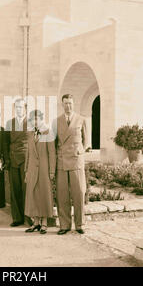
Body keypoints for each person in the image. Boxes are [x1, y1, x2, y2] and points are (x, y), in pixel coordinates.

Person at [53, 94, 88, 235]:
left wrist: (79, 152)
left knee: (79, 192)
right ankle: (64, 225)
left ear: (74, 104)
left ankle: (80, 224)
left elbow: (86, 142)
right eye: (66, 103)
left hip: (76, 160)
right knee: (62, 195)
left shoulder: (81, 120)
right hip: (62, 161)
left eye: (70, 103)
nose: (68, 106)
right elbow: (54, 142)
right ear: (62, 104)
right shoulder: (56, 121)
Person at [24, 110, 56, 234]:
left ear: (42, 119)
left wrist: (52, 171)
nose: (35, 122)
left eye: (37, 119)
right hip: (32, 169)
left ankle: (44, 223)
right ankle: (36, 222)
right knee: (33, 195)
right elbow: (28, 153)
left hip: (44, 170)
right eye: (33, 120)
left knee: (44, 195)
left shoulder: (48, 133)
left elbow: (52, 153)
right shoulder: (31, 133)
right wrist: (26, 170)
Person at [5, 98, 32, 227]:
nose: (19, 110)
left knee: (26, 188)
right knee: (14, 189)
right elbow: (6, 143)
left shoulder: (31, 123)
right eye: (17, 107)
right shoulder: (10, 123)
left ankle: (28, 216)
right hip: (13, 159)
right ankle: (17, 217)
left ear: (26, 108)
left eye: (21, 107)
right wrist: (7, 159)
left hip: (27, 160)